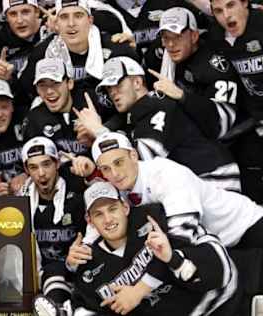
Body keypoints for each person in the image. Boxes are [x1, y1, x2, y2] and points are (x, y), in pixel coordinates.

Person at [38, 181, 237, 316]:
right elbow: (91, 305)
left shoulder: (154, 217)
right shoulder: (88, 263)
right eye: (98, 214)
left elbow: (219, 261)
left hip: (220, 304)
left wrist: (169, 261)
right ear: (89, 221)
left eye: (113, 209)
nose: (108, 220)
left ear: (125, 207)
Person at [91, 132, 263, 249]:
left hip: (247, 225)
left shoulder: (166, 174)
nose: (115, 174)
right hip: (218, 246)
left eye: (119, 162)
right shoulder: (113, 189)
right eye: (106, 169)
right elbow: (97, 223)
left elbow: (183, 233)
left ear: (134, 156)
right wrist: (85, 246)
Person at [94, 56, 240, 191]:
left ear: (137, 82)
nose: (113, 92)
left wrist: (100, 134)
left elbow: (144, 159)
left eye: (117, 84)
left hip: (213, 177)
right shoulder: (137, 112)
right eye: (108, 88)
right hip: (201, 178)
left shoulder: (156, 104)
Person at [0, 136, 87, 312]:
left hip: (75, 271)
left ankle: (58, 309)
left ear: (57, 163)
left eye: (46, 164)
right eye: (33, 167)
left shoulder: (77, 196)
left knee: (55, 270)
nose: (41, 173)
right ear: (26, 170)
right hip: (38, 278)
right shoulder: (18, 204)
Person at [151, 7, 241, 140]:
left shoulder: (213, 66)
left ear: (194, 36)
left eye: (178, 36)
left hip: (228, 140)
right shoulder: (160, 51)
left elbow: (223, 121)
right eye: (165, 37)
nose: (170, 44)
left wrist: (181, 96)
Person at [207, 0, 263, 203]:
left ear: (245, 3)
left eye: (231, 6)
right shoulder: (216, 35)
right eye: (219, 11)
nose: (227, 16)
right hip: (252, 117)